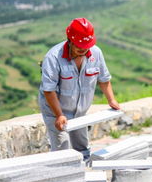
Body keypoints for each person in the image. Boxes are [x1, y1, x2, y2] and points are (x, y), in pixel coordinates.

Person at [39, 18, 120, 161]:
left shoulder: (96, 53)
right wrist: (59, 115)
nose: (84, 50)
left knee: (82, 145)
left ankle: (84, 171)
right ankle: (62, 176)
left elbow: (104, 79)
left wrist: (111, 100)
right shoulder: (53, 57)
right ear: (69, 40)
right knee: (62, 148)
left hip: (80, 111)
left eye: (87, 47)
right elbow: (49, 91)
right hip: (56, 110)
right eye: (79, 47)